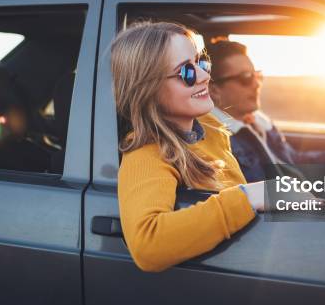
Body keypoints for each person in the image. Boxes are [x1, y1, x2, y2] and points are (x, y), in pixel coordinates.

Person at [111, 22, 264, 272]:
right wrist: (252, 197)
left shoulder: (210, 129)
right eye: (187, 72)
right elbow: (147, 245)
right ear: (149, 88)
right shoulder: (148, 153)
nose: (205, 76)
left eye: (200, 63)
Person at [207, 40, 325, 182]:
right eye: (245, 78)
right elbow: (252, 200)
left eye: (257, 76)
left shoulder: (257, 122)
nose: (256, 85)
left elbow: (294, 161)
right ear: (215, 89)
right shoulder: (217, 141)